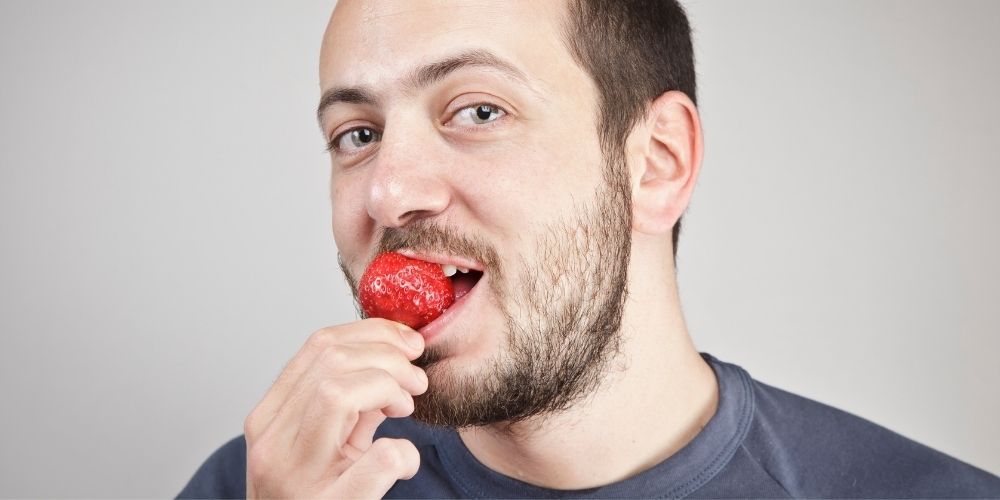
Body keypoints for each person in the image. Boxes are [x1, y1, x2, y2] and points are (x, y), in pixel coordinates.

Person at [178, 1, 1000, 498]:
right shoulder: (270, 483)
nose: (388, 193)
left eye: (479, 111)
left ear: (656, 163)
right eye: (357, 134)